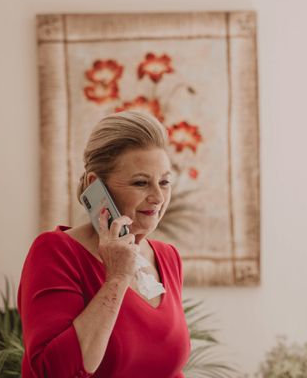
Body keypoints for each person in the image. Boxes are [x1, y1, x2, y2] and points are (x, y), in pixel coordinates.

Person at [17, 111, 190, 377]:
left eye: (164, 182)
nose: (157, 197)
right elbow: (53, 372)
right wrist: (117, 278)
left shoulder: (167, 257)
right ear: (95, 186)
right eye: (141, 182)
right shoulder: (55, 252)